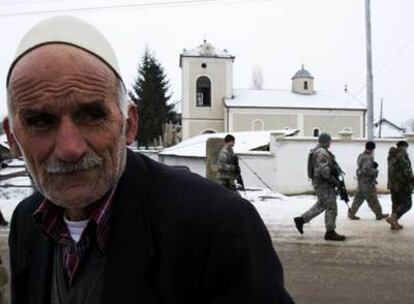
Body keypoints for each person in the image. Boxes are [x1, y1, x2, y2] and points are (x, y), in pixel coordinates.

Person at [4, 16, 293, 304]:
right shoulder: (26, 223)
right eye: (41, 121)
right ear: (12, 136)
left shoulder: (216, 225)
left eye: (92, 116)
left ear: (129, 125)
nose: (70, 149)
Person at [294, 133, 346, 241]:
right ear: (325, 141)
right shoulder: (322, 152)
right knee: (331, 207)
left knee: (321, 205)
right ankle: (330, 232)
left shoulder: (318, 151)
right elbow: (324, 171)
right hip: (324, 184)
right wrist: (334, 181)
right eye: (329, 141)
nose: (330, 143)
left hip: (321, 183)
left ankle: (301, 220)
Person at [348, 141, 388, 220]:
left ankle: (352, 213)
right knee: (373, 198)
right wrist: (375, 171)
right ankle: (379, 214)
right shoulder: (368, 157)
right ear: (373, 149)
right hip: (367, 182)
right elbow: (366, 170)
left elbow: (361, 167)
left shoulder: (361, 155)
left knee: (359, 198)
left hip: (361, 181)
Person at [386, 140, 413, 230]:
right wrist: (411, 178)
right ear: (404, 147)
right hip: (402, 184)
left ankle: (394, 224)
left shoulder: (391, 155)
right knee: (407, 204)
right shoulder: (402, 154)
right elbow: (406, 168)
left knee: (396, 203)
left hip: (393, 184)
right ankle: (394, 218)